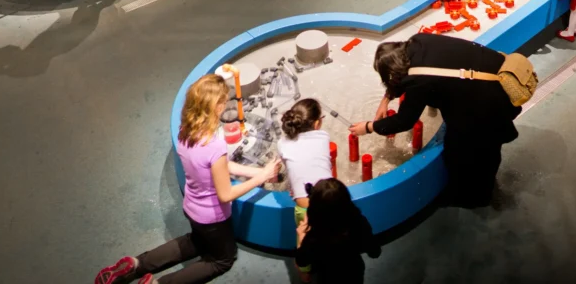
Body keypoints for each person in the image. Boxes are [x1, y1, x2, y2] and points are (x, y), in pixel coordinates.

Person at [96, 75, 281, 284]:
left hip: (192, 208)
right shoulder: (214, 145)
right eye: (222, 101)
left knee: (196, 241)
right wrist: (262, 177)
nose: (224, 105)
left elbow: (220, 167)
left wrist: (257, 171)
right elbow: (226, 194)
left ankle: (136, 264)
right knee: (221, 260)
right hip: (212, 218)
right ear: (215, 106)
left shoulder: (186, 130)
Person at [349, 34, 522, 208]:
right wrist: (386, 99)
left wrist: (369, 127)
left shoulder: (418, 80)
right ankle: (485, 185)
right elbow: (417, 72)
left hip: (489, 102)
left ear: (394, 72)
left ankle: (480, 198)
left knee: (470, 151)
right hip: (493, 75)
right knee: (480, 150)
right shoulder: (419, 41)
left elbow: (404, 121)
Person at [277, 98, 333, 268]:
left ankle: (303, 270)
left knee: (304, 237)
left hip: (303, 207)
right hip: (327, 204)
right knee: (331, 238)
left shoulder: (282, 143)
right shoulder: (323, 137)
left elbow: (290, 168)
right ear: (317, 124)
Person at [295, 179, 381, 284]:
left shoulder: (315, 236)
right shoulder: (358, 222)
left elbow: (302, 261)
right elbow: (375, 252)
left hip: (327, 278)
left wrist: (301, 238)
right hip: (354, 274)